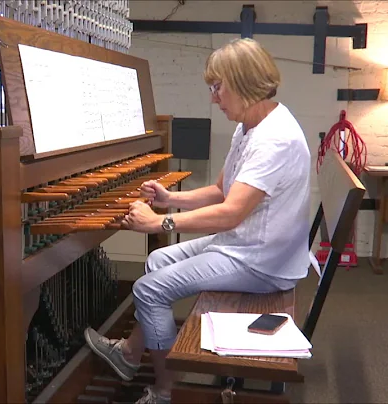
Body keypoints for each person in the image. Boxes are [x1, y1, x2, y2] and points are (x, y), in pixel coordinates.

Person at [82, 38, 312, 404]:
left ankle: (163, 391)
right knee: (157, 261)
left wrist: (161, 223)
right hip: (248, 243)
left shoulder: (275, 140)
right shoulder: (250, 125)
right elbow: (223, 189)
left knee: (149, 289)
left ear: (243, 82)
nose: (213, 97)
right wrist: (170, 199)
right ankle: (129, 354)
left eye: (217, 87)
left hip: (263, 261)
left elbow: (230, 212)